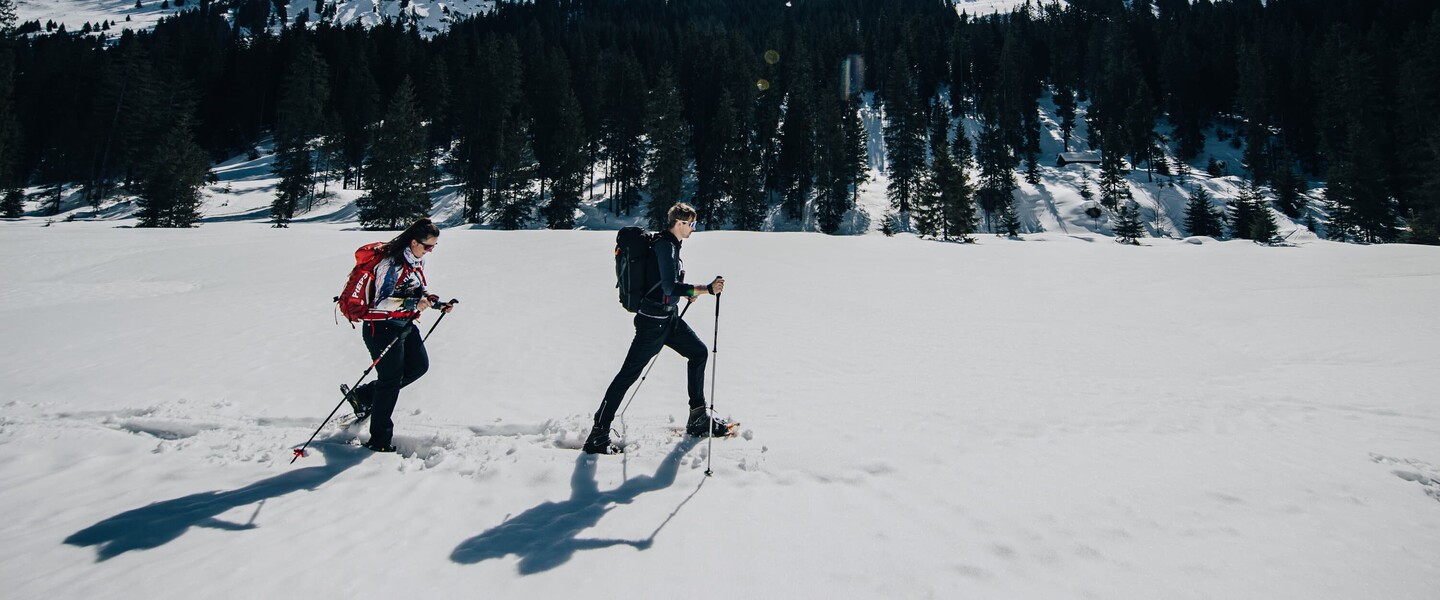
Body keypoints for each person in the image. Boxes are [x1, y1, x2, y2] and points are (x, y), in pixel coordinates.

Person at [584, 203, 729, 455]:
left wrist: (682, 296)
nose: (693, 229)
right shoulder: (665, 246)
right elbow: (670, 286)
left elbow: (665, 286)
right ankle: (598, 434)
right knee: (627, 375)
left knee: (698, 353)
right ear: (680, 223)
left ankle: (697, 417)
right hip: (653, 323)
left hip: (667, 318)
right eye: (691, 224)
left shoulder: (669, 245)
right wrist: (705, 289)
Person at [342, 218, 454, 453]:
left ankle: (363, 396)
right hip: (380, 328)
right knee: (390, 381)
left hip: (404, 324)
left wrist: (435, 302)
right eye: (427, 246)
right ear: (414, 242)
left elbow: (417, 288)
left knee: (418, 367)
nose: (430, 251)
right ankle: (379, 440)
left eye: (434, 247)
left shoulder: (416, 260)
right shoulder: (391, 263)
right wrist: (414, 302)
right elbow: (381, 301)